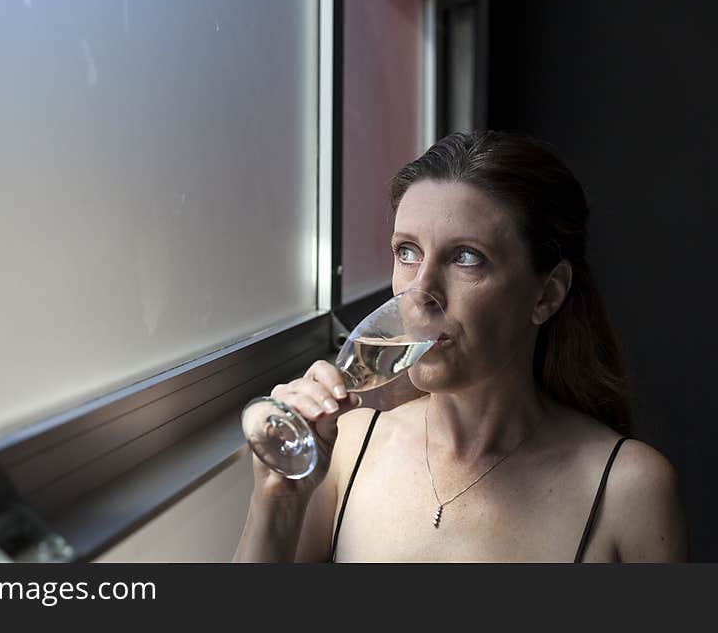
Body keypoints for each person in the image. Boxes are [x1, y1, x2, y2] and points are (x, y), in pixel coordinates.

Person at [233, 130, 689, 562]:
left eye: (466, 257)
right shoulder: (347, 450)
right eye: (407, 251)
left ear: (546, 294)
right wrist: (275, 501)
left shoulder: (629, 491)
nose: (421, 292)